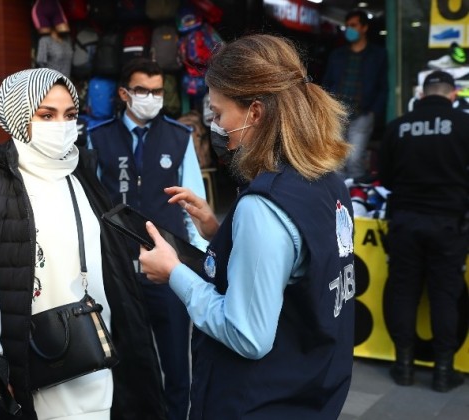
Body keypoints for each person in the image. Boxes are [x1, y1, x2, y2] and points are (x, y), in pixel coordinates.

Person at [139, 34, 356, 419]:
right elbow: (297, 267)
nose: (216, 128)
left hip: (256, 401)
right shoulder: (328, 182)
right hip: (312, 393)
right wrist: (216, 231)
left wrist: (174, 272)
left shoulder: (264, 206)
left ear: (255, 112)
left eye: (220, 114)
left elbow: (247, 334)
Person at [0, 68, 166, 420]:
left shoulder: (81, 177)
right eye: (46, 115)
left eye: (70, 115)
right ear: (19, 118)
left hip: (102, 362)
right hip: (38, 372)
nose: (61, 125)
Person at [87, 57, 206, 420]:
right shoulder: (97, 137)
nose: (151, 97)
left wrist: (198, 262)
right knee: (123, 359)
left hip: (169, 270)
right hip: (117, 270)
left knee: (176, 363)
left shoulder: (178, 136)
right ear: (124, 93)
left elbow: (194, 205)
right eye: (143, 91)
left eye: (157, 91)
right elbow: (89, 204)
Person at [379, 70, 469, 392]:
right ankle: (444, 372)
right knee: (445, 294)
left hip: (405, 221)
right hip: (449, 224)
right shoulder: (463, 125)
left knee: (404, 291)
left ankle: (403, 367)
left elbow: (385, 179)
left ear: (421, 94)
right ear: (452, 95)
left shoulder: (397, 127)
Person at [322, 9, 388, 179]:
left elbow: (383, 86)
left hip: (362, 114)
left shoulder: (378, 55)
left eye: (353, 25)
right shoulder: (337, 55)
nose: (349, 29)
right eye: (347, 26)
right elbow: (327, 82)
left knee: (355, 159)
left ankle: (357, 199)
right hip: (337, 113)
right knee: (336, 161)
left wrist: (374, 112)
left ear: (364, 28)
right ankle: (339, 200)